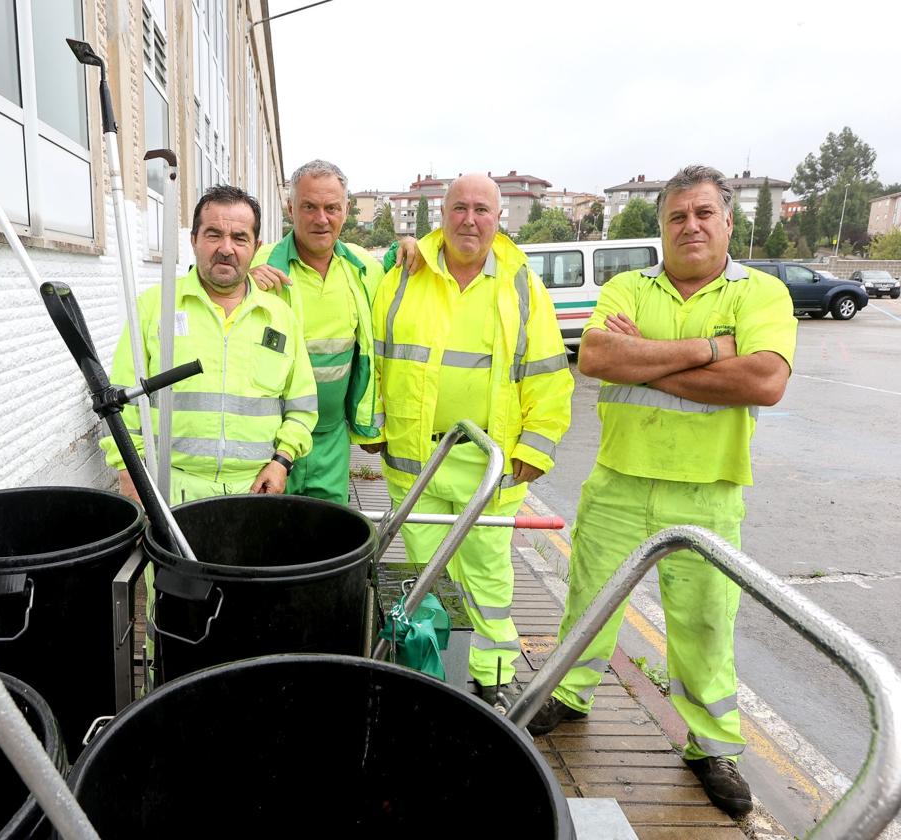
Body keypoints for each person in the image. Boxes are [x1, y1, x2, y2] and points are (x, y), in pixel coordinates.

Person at [526, 165, 796, 818]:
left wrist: (651, 361)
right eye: (677, 216)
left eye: (704, 213)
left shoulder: (761, 293)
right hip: (620, 482)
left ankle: (710, 746)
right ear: (663, 227)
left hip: (708, 493)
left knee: (705, 626)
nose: (691, 225)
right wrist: (708, 348)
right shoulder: (627, 285)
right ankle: (570, 694)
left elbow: (763, 380)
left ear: (728, 222)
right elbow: (596, 358)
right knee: (589, 603)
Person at [370, 173, 573, 707]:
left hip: (488, 468)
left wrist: (536, 445)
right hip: (417, 461)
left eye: (482, 209)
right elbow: (375, 354)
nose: (470, 219)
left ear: (497, 217)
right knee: (422, 579)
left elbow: (549, 372)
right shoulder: (403, 274)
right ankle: (430, 677)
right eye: (460, 207)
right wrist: (371, 426)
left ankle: (492, 680)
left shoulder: (521, 283)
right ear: (442, 213)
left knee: (487, 582)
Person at [102, 184, 318, 503]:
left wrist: (282, 462)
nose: (226, 248)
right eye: (214, 234)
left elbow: (302, 407)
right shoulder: (154, 308)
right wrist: (128, 473)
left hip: (254, 491)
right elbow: (121, 402)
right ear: (194, 240)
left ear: (256, 246)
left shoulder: (280, 318)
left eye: (239, 237)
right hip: (168, 491)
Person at [249, 160, 416, 504]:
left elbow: (401, 267)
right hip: (269, 441)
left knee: (327, 540)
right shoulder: (257, 265)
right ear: (290, 208)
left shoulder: (362, 267)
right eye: (309, 206)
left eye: (331, 208)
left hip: (332, 439)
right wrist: (243, 286)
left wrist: (411, 243)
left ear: (347, 210)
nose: (321, 218)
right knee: (268, 542)